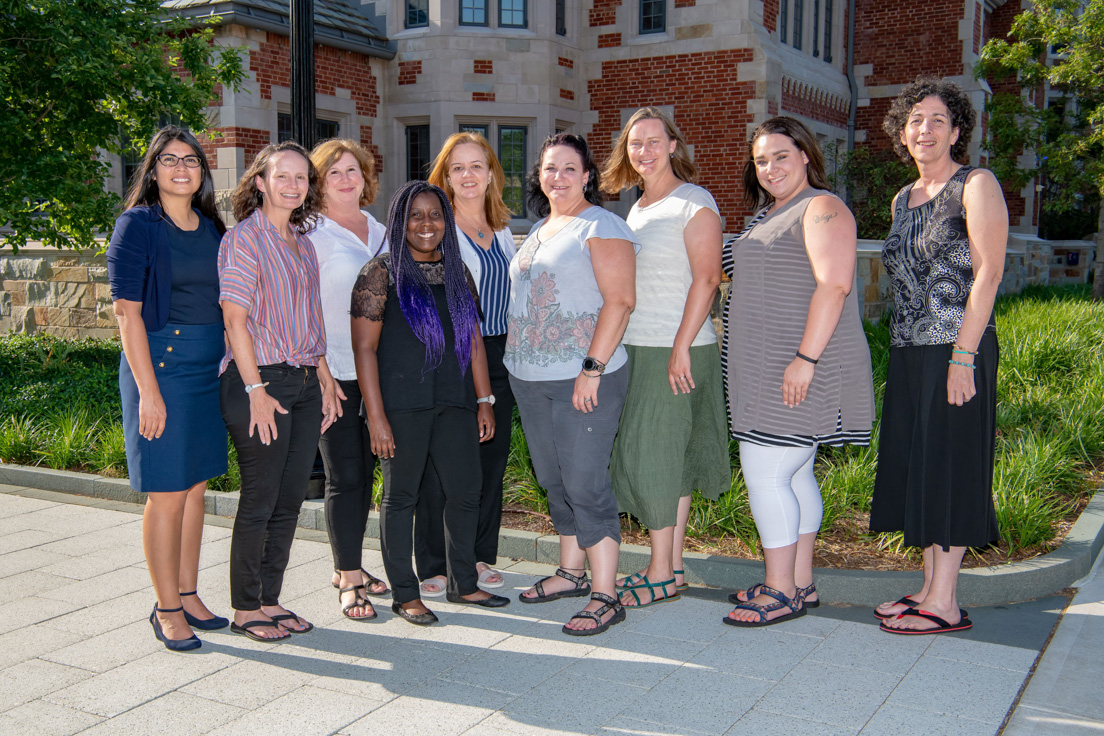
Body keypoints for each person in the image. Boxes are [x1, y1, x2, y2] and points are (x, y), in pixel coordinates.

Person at [722, 117, 874, 627]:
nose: (769, 167)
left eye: (780, 155)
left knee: (766, 473)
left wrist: (805, 360)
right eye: (761, 160)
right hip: (766, 365)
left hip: (795, 364)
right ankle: (801, 582)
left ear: (806, 155)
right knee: (794, 471)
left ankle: (780, 588)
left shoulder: (822, 207)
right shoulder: (771, 213)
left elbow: (834, 286)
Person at [870, 77, 1007, 635]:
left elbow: (989, 272)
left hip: (957, 347)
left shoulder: (975, 184)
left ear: (956, 131)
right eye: (914, 120)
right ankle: (928, 586)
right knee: (921, 463)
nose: (923, 129)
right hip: (909, 350)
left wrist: (963, 356)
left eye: (936, 120)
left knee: (948, 463)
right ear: (902, 133)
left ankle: (946, 603)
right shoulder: (905, 196)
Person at [351, 180, 507, 627]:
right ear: (401, 220)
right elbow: (365, 350)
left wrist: (483, 399)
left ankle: (463, 583)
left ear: (447, 221)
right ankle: (405, 593)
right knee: (402, 498)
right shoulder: (380, 273)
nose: (426, 224)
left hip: (456, 401)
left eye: (435, 215)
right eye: (416, 215)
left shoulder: (459, 271)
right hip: (401, 405)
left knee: (465, 491)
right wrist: (375, 416)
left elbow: (473, 340)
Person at [508, 134, 639, 636]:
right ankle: (571, 572)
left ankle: (606, 594)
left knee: (585, 481)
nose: (557, 177)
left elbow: (620, 300)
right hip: (531, 376)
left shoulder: (601, 225)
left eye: (568, 168)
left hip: (582, 376)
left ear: (587, 175)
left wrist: (592, 368)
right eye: (548, 168)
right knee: (554, 478)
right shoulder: (541, 228)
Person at [600, 108, 730, 607]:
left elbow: (707, 278)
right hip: (642, 346)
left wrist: (680, 346)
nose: (644, 151)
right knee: (669, 461)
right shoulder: (637, 207)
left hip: (676, 349)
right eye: (636, 144)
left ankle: (657, 570)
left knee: (652, 457)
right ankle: (672, 568)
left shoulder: (693, 202)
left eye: (654, 142)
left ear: (673, 145)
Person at [107, 126, 231, 652]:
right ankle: (165, 608)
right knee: (167, 494)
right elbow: (126, 314)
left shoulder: (211, 228)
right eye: (169, 160)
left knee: (197, 486)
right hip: (162, 369)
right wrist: (149, 392)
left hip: (207, 374)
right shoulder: (137, 226)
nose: (182, 168)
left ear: (202, 171)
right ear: (152, 170)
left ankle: (187, 591)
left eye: (191, 160)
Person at [219, 141, 340, 642]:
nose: (293, 185)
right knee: (261, 499)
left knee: (291, 500)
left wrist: (326, 379)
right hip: (260, 381)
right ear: (260, 183)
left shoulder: (303, 242)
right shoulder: (243, 239)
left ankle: (270, 599)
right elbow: (234, 319)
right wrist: (254, 389)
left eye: (301, 178)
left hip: (306, 381)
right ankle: (246, 608)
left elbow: (311, 322)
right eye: (282, 176)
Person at [415, 132, 517, 598]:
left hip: (503, 355)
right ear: (445, 175)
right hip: (455, 357)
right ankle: (435, 563)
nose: (468, 175)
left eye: (478, 165)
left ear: (492, 172)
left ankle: (478, 555)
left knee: (490, 461)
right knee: (446, 464)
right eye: (458, 167)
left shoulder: (502, 228)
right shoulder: (438, 227)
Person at [308, 139, 390, 621]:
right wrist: (316, 369)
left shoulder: (380, 232)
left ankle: (348, 566)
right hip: (332, 372)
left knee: (370, 475)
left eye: (352, 170)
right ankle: (350, 578)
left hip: (378, 374)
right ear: (320, 181)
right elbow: (302, 307)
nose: (344, 178)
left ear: (365, 176)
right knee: (345, 475)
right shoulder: (309, 234)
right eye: (333, 171)